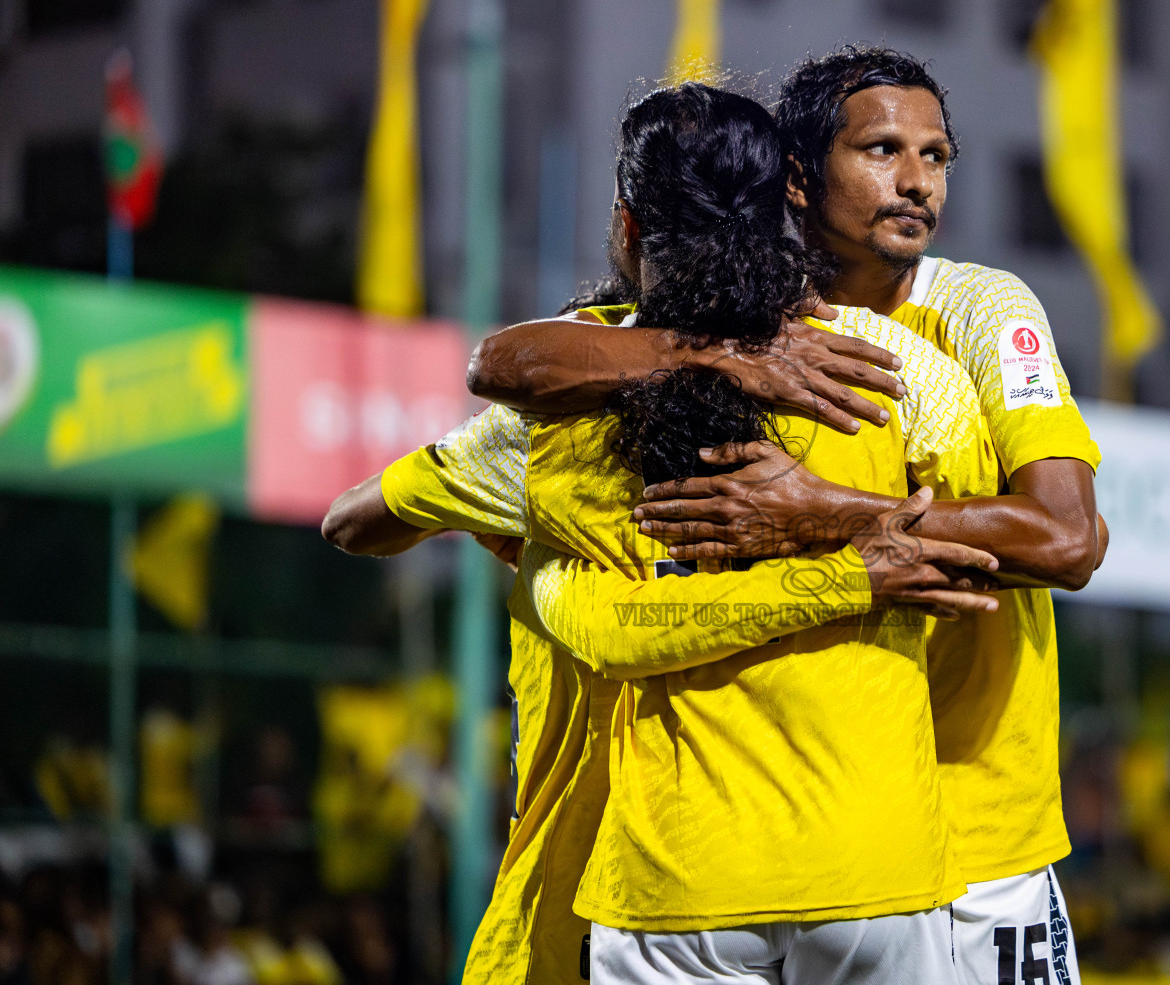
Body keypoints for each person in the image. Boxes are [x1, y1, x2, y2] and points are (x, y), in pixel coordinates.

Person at [325, 82, 1001, 984]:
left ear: (630, 228)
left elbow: (354, 519)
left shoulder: (549, 420)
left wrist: (533, 567)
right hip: (879, 865)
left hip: (673, 882)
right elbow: (1010, 547)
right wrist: (866, 540)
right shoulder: (903, 372)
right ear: (787, 211)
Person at [468, 46, 1105, 985]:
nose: (917, 182)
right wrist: (709, 358)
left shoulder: (979, 309)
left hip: (978, 823)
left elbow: (1067, 539)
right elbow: (504, 366)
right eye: (883, 150)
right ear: (799, 181)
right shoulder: (734, 320)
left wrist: (826, 514)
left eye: (936, 156)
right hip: (796, 838)